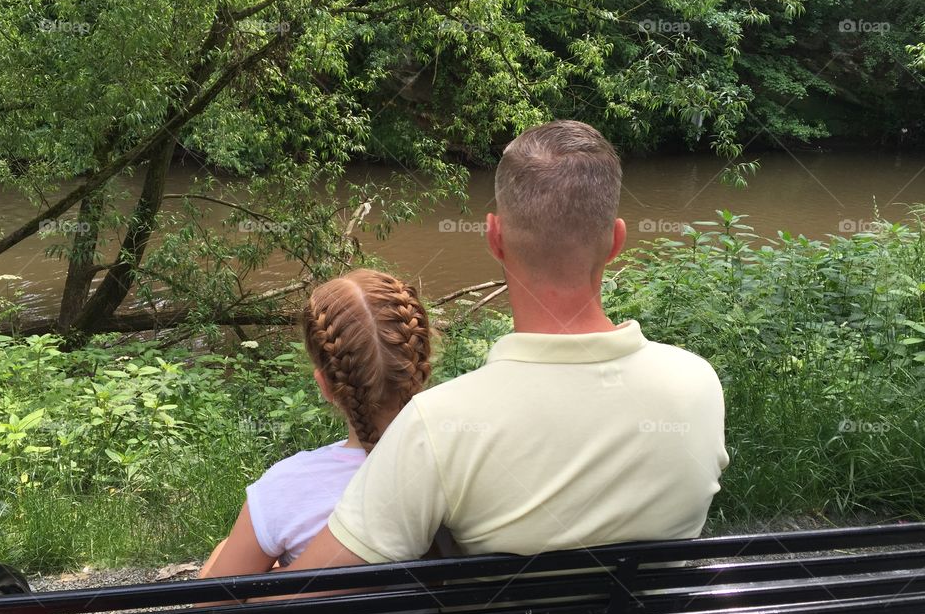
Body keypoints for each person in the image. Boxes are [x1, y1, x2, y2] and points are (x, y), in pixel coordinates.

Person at [285, 119, 730, 573]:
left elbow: (302, 599)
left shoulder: (438, 426)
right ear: (616, 240)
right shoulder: (696, 385)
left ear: (494, 237)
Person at [199, 269, 432, 579]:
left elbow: (212, 605)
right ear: (423, 369)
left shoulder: (287, 487)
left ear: (325, 385)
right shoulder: (464, 462)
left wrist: (222, 549)